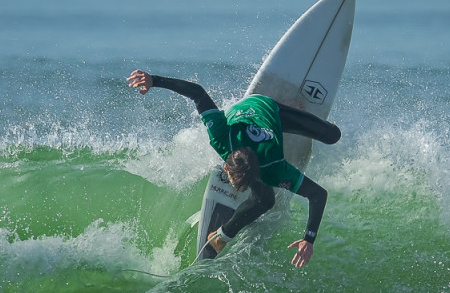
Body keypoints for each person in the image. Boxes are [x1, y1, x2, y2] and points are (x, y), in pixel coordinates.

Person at [127, 69, 341, 268]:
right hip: (246, 110)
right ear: (226, 166)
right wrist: (154, 80)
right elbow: (198, 93)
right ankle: (221, 236)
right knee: (265, 201)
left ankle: (286, 105)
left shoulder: (274, 167)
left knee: (333, 136)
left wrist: (308, 239)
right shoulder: (221, 136)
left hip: (269, 108)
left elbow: (318, 194)